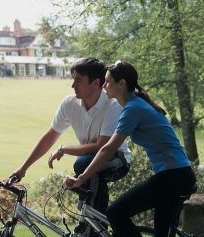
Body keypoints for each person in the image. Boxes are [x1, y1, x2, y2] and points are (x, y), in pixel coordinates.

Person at [63, 60, 196, 237]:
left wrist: (82, 178)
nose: (104, 85)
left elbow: (107, 148)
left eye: (108, 81)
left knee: (115, 213)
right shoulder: (136, 103)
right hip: (176, 175)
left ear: (122, 83)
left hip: (173, 176)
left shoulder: (133, 108)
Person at [9, 57, 131, 215]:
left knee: (82, 164)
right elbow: (49, 137)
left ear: (96, 83)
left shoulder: (112, 105)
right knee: (83, 168)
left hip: (118, 161)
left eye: (78, 81)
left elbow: (101, 146)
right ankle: (90, 223)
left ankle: (94, 225)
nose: (73, 85)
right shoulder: (69, 103)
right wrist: (23, 168)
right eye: (73, 80)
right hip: (90, 161)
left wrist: (64, 148)